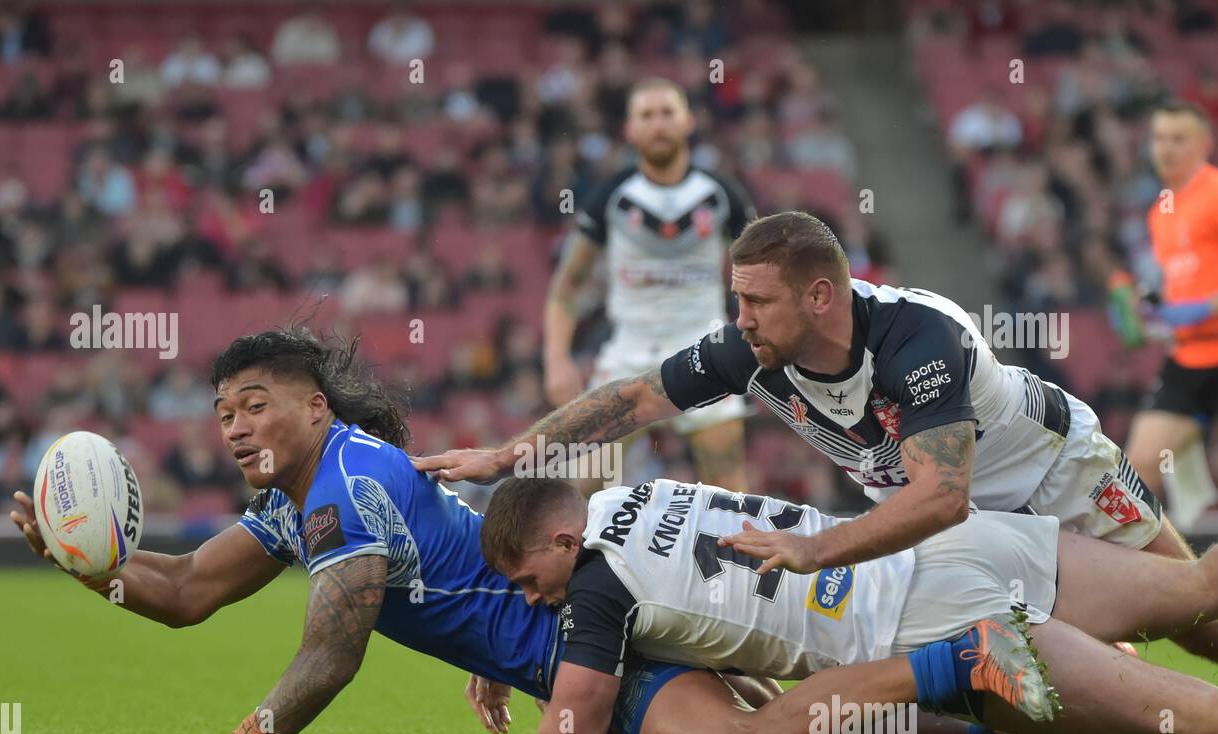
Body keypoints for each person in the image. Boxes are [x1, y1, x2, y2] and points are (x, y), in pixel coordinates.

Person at [6, 327, 1062, 734]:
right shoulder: (301, 499)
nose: (233, 427)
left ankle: (961, 668)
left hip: (596, 640)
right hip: (590, 622)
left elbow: (334, 652)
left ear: (312, 408)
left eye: (255, 404)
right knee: (800, 732)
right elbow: (188, 590)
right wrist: (87, 566)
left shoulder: (347, 490)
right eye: (222, 413)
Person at [415, 210, 1218, 664]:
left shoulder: (919, 339)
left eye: (758, 302)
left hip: (1055, 476)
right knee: (1027, 656)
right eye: (738, 301)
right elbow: (632, 400)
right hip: (956, 525)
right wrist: (511, 454)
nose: (740, 322)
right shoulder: (751, 353)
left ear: (823, 296)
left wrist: (815, 553)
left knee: (1196, 618)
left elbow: (942, 495)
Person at [477, 476, 1218, 734]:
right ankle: (1015, 721)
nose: (532, 598)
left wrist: (533, 667)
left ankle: (970, 676)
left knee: (1194, 716)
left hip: (920, 620)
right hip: (933, 540)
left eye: (527, 582)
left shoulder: (600, 589)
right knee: (1196, 584)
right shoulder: (624, 491)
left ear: (566, 544)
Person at [543, 77, 756, 492]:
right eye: (646, 115)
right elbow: (567, 286)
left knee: (730, 490)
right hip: (628, 350)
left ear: (688, 122)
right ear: (630, 129)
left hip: (706, 347)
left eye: (667, 113)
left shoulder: (723, 193)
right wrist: (556, 360)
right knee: (582, 487)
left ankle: (733, 559)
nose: (658, 124)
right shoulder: (611, 195)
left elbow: (765, 272)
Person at [1125, 102, 1218, 526]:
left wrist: (1208, 307)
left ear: (1204, 144)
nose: (1167, 148)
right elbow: (1182, 279)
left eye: (1179, 139)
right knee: (1139, 464)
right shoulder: (1159, 212)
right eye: (1159, 138)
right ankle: (1172, 579)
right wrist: (1156, 315)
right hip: (1188, 356)